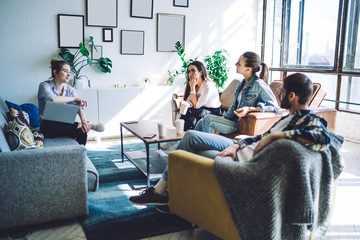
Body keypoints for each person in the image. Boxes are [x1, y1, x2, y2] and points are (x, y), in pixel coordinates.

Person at [129, 73, 330, 207]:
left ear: (292, 95)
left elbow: (323, 139)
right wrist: (236, 144)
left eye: (282, 91)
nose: (279, 93)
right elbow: (260, 137)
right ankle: (162, 192)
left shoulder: (312, 120)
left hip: (247, 160)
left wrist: (278, 135)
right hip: (242, 147)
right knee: (190, 137)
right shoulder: (288, 117)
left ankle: (163, 192)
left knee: (191, 153)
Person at [194, 51, 279, 134]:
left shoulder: (258, 84)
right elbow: (234, 105)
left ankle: (207, 145)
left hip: (239, 124)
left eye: (239, 63)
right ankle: (192, 147)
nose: (235, 64)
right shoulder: (241, 83)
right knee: (201, 122)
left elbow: (274, 107)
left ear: (248, 69)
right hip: (231, 120)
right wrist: (223, 118)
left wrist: (250, 109)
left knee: (208, 120)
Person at [38, 59, 104, 145]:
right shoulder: (44, 85)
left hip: (65, 125)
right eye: (65, 71)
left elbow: (79, 106)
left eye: (69, 72)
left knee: (82, 131)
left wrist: (83, 121)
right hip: (48, 126)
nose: (69, 75)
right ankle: (80, 124)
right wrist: (74, 99)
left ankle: (81, 154)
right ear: (55, 72)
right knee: (48, 125)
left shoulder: (70, 89)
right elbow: (53, 99)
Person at [179, 61, 222, 131]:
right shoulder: (194, 84)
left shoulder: (208, 86)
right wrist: (187, 103)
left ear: (201, 72)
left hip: (213, 112)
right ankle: (184, 137)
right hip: (200, 110)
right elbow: (189, 101)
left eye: (193, 71)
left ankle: (179, 132)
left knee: (188, 111)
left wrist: (192, 88)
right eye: (188, 71)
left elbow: (197, 105)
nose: (190, 74)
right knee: (191, 119)